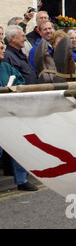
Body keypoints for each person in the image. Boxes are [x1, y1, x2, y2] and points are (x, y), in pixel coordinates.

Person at [0, 40, 38, 191]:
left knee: (18, 146)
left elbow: (19, 79)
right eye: (1, 48)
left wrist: (13, 88)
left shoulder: (6, 66)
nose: (4, 50)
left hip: (10, 112)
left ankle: (21, 181)